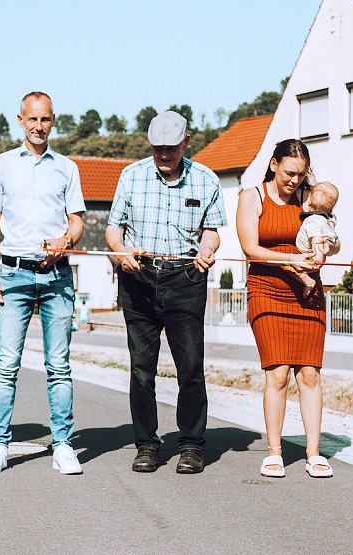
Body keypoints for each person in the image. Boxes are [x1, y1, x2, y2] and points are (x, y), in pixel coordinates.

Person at [105, 110, 226, 474]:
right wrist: (121, 252)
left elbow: (213, 230)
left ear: (187, 142)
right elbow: (114, 230)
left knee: (190, 367)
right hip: (139, 279)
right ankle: (146, 444)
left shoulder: (206, 180)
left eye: (171, 149)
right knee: (142, 369)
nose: (164, 155)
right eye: (158, 148)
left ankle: (191, 444)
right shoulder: (131, 176)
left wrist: (208, 249)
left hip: (185, 279)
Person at [0, 91, 86, 475]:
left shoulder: (67, 167)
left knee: (59, 365)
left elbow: (77, 220)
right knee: (6, 364)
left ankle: (63, 445)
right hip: (13, 273)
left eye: (46, 120)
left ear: (53, 121)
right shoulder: (2, 165)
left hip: (57, 275)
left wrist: (66, 240)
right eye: (32, 119)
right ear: (20, 120)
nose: (39, 126)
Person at [236, 139, 341, 479]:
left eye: (301, 174)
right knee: (278, 373)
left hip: (308, 291)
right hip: (267, 289)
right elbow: (251, 249)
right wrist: (291, 258)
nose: (295, 180)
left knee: (309, 373)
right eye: (289, 172)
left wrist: (327, 247)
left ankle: (313, 452)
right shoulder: (252, 196)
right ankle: (274, 451)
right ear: (273, 164)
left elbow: (333, 237)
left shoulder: (312, 199)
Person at [281, 182, 339, 298]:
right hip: (320, 250)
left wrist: (317, 257)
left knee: (287, 267)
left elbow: (316, 239)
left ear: (310, 201)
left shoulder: (313, 220)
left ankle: (307, 281)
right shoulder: (330, 219)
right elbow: (332, 237)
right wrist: (326, 248)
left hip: (309, 254)